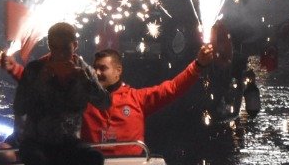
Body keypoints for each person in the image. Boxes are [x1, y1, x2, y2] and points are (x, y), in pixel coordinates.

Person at [11, 22, 112, 165]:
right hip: (37, 141)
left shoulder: (85, 71)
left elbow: (105, 103)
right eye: (54, 48)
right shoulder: (35, 69)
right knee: (35, 160)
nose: (60, 54)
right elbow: (19, 107)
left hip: (67, 143)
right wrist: (41, 82)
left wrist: (86, 81)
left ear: (75, 45)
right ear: (49, 46)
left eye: (65, 48)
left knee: (94, 158)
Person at [81, 43, 215, 152]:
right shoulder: (82, 100)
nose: (97, 73)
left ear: (118, 70)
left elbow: (173, 88)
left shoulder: (137, 99)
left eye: (103, 68)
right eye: (95, 68)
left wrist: (198, 65)